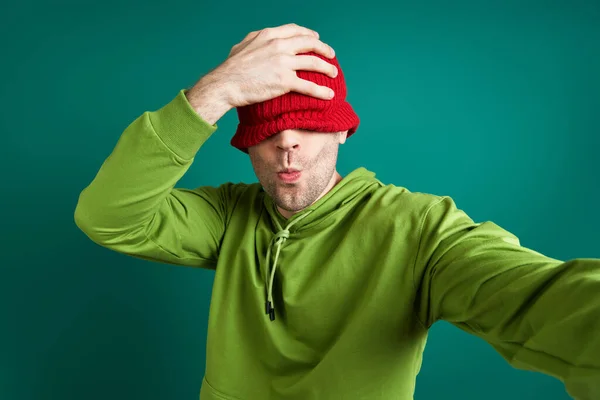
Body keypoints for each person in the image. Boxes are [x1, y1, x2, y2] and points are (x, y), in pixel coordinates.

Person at [74, 23, 599, 400]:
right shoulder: (228, 215)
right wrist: (218, 90)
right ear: (245, 145)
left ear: (344, 130)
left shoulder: (418, 230)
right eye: (266, 131)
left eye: (306, 124)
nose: (287, 146)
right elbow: (107, 215)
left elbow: (535, 296)